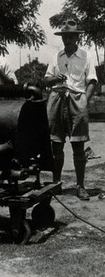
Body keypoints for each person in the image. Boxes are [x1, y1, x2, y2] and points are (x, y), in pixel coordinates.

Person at [44, 19, 97, 201]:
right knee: (56, 144)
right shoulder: (56, 56)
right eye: (65, 36)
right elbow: (46, 80)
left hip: (77, 99)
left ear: (77, 38)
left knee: (78, 146)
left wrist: (84, 101)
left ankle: (80, 186)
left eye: (71, 36)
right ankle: (56, 183)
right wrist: (54, 78)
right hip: (57, 98)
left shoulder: (86, 55)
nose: (67, 40)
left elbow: (92, 81)